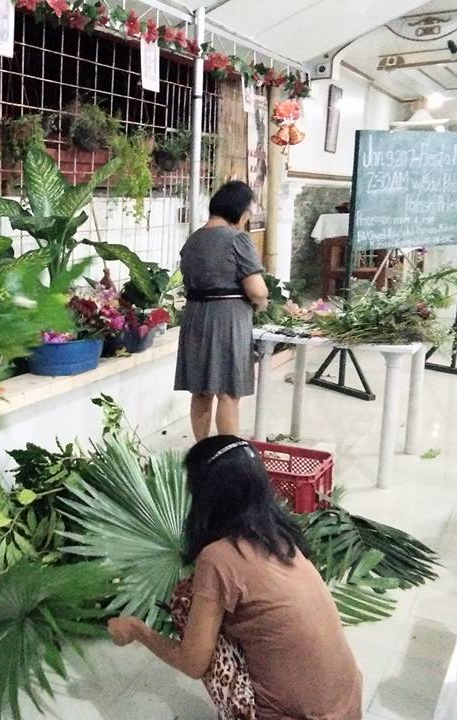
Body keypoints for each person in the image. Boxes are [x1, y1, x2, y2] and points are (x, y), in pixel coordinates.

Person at [108, 435, 363, 720]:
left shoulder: (218, 557)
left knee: (185, 601)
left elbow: (192, 664)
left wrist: (138, 631)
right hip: (348, 706)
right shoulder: (279, 533)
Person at [175, 181, 268, 440]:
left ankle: (201, 449)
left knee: (201, 389)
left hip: (195, 317)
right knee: (228, 390)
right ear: (238, 210)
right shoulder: (237, 240)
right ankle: (227, 453)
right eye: (248, 211)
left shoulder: (193, 240)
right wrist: (262, 304)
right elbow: (257, 290)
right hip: (227, 318)